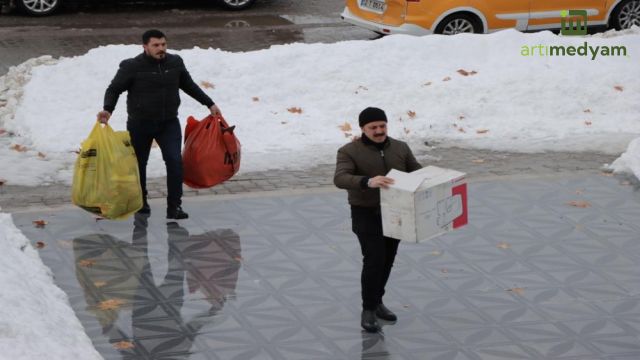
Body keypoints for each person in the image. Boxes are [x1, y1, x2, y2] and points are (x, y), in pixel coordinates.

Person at [97, 29, 221, 220]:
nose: (161, 48)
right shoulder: (132, 66)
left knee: (175, 162)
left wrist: (209, 103)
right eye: (156, 45)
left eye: (163, 44)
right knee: (139, 164)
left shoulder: (175, 62)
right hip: (140, 124)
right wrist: (108, 109)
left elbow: (189, 85)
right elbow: (114, 89)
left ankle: (174, 207)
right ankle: (141, 202)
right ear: (145, 47)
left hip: (169, 123)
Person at [334, 107, 422, 333]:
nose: (379, 130)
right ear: (362, 128)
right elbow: (340, 178)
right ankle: (369, 309)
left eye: (382, 126)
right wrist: (367, 181)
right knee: (374, 258)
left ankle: (378, 301)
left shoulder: (400, 147)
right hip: (366, 213)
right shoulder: (349, 151)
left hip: (397, 212)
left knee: (388, 258)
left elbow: (417, 172)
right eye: (373, 127)